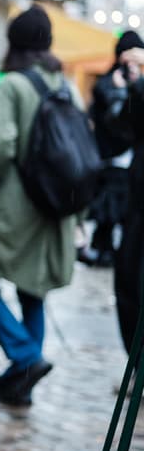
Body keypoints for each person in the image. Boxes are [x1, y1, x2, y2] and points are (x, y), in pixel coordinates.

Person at [0, 5, 78, 405]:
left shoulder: (14, 85)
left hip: (17, 206)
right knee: (34, 290)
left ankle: (26, 357)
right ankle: (21, 383)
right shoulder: (65, 84)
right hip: (55, 207)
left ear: (14, 43)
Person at [100, 30, 144, 355]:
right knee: (128, 283)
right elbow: (117, 130)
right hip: (134, 198)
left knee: (131, 282)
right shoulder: (121, 86)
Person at [80, 32, 133, 267]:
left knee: (112, 212)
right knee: (110, 210)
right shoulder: (111, 83)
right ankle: (104, 250)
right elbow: (117, 121)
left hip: (112, 157)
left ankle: (105, 249)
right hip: (112, 157)